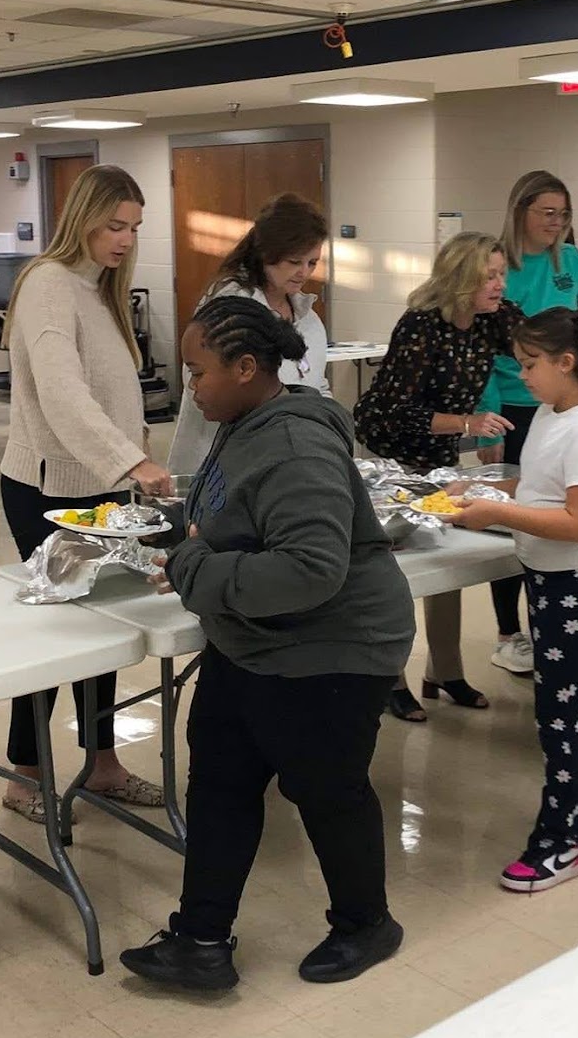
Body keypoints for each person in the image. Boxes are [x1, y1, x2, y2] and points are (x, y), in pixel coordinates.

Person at [119, 296, 415, 992]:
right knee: (220, 781)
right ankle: (200, 940)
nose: (191, 388)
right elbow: (232, 516)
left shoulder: (294, 446)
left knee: (326, 790)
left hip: (333, 647)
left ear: (247, 367)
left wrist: (196, 568)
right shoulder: (243, 422)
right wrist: (182, 535)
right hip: (255, 637)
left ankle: (367, 924)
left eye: (199, 372)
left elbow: (310, 570)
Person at [0, 164, 172, 822]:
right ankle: (24, 774)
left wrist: (131, 462)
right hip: (47, 490)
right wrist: (131, 461)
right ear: (83, 220)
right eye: (114, 225)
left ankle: (102, 764)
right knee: (56, 634)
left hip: (104, 488)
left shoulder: (100, 288)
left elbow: (112, 394)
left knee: (102, 627)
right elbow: (62, 395)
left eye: (134, 227)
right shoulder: (48, 284)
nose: (125, 239)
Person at [451, 309, 578, 892]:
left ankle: (562, 841)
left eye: (530, 365)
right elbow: (539, 487)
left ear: (566, 362)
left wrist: (497, 513)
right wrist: (480, 489)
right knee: (575, 695)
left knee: (558, 713)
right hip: (554, 581)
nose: (522, 375)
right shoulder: (555, 413)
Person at [353, 232, 515, 720]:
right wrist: (468, 424)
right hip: (390, 455)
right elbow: (395, 411)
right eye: (489, 276)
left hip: (438, 454)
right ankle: (391, 678)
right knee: (396, 571)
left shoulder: (492, 318)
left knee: (446, 561)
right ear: (462, 278)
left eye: (502, 274)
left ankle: (445, 670)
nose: (499, 284)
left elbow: (541, 344)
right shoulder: (421, 325)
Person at [476, 170, 578, 679]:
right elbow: (483, 351)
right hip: (512, 404)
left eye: (563, 215)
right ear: (520, 211)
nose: (556, 223)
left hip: (557, 400)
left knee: (546, 499)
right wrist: (487, 421)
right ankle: (509, 633)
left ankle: (553, 625)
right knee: (517, 507)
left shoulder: (571, 260)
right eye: (547, 213)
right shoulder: (500, 266)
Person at [168, 191, 331, 477]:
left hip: (287, 458)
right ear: (267, 254)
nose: (304, 272)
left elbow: (315, 383)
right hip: (226, 461)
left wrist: (328, 426)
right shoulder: (230, 310)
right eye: (294, 262)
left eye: (312, 263)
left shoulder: (309, 319)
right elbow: (203, 385)